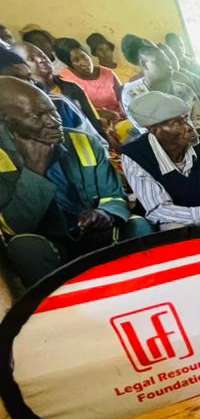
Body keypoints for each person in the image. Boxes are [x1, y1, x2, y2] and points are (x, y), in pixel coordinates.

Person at [0, 78, 151, 286]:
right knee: (24, 246)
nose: (53, 121)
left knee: (137, 224)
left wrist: (105, 213)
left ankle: (149, 286)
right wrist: (34, 172)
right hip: (51, 249)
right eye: (36, 116)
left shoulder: (82, 141)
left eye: (52, 111)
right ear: (5, 120)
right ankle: (62, 308)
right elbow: (12, 228)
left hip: (95, 236)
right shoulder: (2, 158)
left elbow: (114, 196)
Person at [121, 91, 200, 228]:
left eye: (185, 119)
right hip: (174, 221)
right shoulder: (135, 155)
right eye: (177, 123)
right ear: (155, 130)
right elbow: (158, 210)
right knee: (175, 230)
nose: (189, 127)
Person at [12, 41, 107, 138]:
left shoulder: (71, 86)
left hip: (92, 142)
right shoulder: (31, 99)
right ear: (21, 67)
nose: (41, 60)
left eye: (42, 55)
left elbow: (94, 120)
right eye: (31, 59)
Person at [122, 43, 200, 135]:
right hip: (157, 146)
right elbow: (147, 132)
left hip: (193, 139)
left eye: (168, 62)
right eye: (160, 62)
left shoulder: (184, 90)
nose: (168, 66)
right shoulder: (132, 94)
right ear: (144, 64)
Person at [56, 39, 125, 120]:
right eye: (76, 60)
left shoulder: (107, 73)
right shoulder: (65, 80)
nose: (84, 63)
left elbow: (124, 97)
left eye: (84, 57)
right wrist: (96, 113)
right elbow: (72, 111)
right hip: (94, 124)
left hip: (121, 119)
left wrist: (124, 113)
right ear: (69, 65)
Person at [159, 42, 200, 114]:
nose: (170, 64)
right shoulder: (157, 87)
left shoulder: (194, 78)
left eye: (172, 58)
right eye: (165, 62)